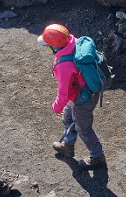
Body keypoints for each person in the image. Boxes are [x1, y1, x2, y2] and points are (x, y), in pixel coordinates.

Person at [39, 23, 106, 170]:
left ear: (54, 47)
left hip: (83, 99)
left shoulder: (64, 66)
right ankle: (68, 146)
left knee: (83, 128)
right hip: (82, 93)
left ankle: (97, 156)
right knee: (68, 118)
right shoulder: (72, 41)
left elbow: (63, 93)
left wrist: (56, 107)